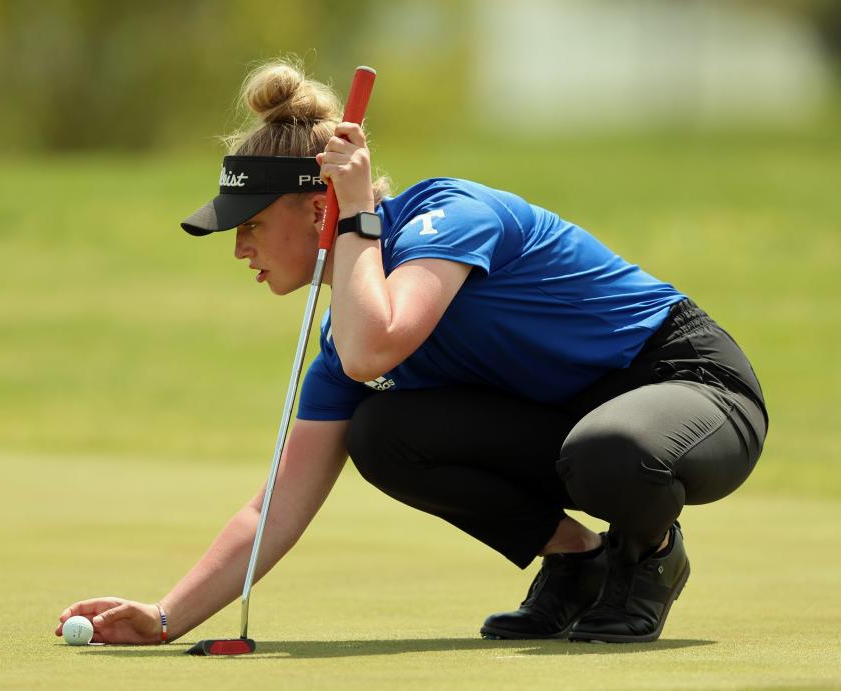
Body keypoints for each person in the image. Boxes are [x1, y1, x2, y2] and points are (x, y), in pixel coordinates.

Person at [55, 60, 767, 645]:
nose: (240, 248)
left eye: (254, 225)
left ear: (317, 206)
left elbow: (377, 347)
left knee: (608, 448)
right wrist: (166, 615)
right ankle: (577, 560)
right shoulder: (344, 336)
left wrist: (358, 208)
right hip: (574, 422)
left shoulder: (447, 217)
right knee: (383, 433)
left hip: (691, 383)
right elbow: (275, 504)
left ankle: (650, 561)